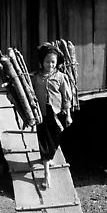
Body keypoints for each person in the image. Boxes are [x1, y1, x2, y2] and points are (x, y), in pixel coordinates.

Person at [32, 43, 73, 189]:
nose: (50, 64)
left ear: (57, 63)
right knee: (43, 141)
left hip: (57, 114)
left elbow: (66, 97)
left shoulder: (61, 77)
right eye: (47, 61)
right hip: (42, 114)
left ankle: (48, 157)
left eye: (53, 62)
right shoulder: (36, 78)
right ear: (42, 62)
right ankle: (46, 174)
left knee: (55, 139)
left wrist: (68, 115)